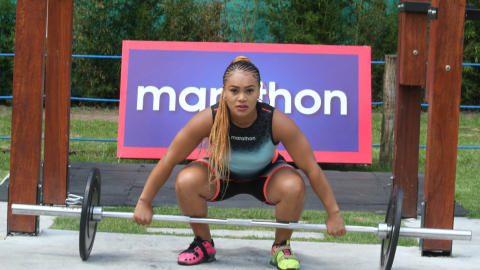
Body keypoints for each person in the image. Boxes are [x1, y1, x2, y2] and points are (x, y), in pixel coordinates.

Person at [132, 56, 346, 270]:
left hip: (266, 177)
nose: (241, 98)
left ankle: (281, 246)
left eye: (249, 91)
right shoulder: (209, 118)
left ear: (259, 92)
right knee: (186, 179)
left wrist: (334, 214)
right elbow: (170, 159)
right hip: (221, 175)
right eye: (234, 91)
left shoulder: (275, 121)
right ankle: (203, 244)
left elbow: (311, 168)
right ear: (224, 91)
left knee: (294, 184)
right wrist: (144, 201)